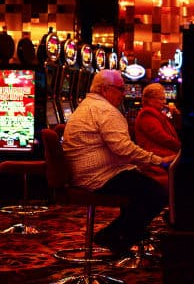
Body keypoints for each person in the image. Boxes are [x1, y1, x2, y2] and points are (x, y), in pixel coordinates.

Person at [62, 69, 176, 256]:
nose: (125, 94)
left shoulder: (87, 106)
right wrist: (159, 161)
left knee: (141, 185)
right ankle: (112, 236)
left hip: (86, 173)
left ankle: (130, 235)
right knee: (157, 193)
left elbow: (121, 150)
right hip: (99, 176)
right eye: (121, 89)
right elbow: (123, 149)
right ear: (105, 89)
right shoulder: (105, 111)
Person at [134, 83, 181, 187]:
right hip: (158, 160)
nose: (165, 102)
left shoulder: (158, 113)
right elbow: (163, 138)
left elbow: (174, 130)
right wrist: (181, 147)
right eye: (161, 99)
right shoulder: (147, 114)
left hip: (166, 156)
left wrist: (176, 115)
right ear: (150, 100)